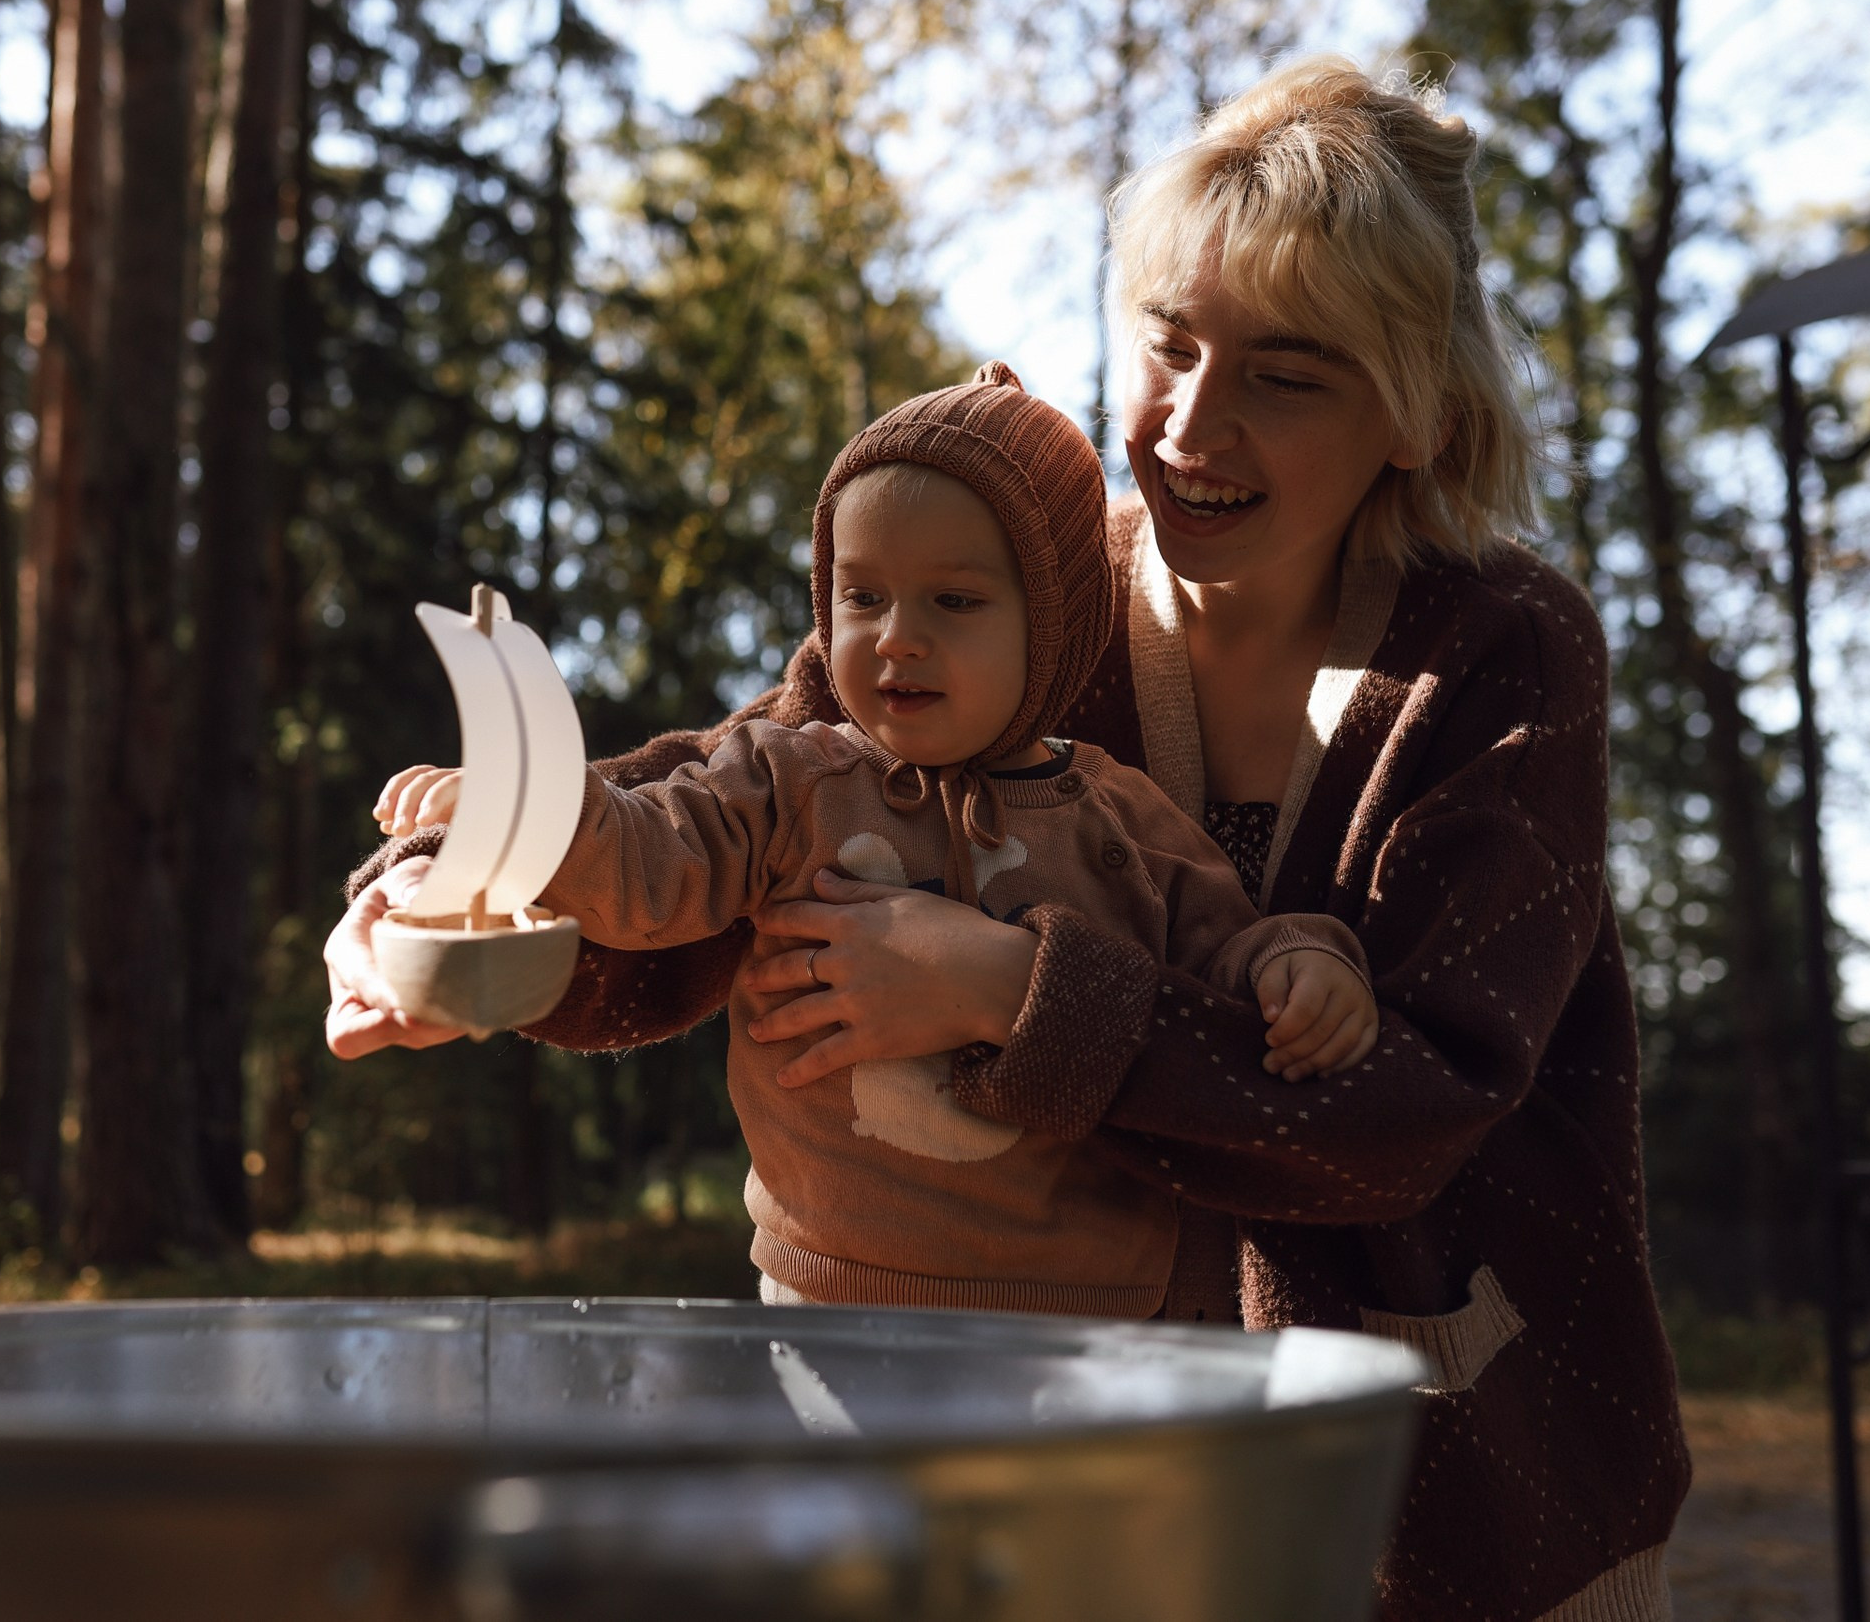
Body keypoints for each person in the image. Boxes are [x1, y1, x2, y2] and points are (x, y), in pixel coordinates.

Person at [329, 54, 1691, 1619]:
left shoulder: (1503, 653)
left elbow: (1401, 1113)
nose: (1193, 422)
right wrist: (454, 891)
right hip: (1075, 1494)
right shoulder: (1009, 586)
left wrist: (1002, 989)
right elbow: (709, 818)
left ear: (1418, 414)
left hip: (1453, 1495)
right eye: (1168, 342)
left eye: (1286, 375)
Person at [370, 366, 1376, 1314]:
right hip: (825, 1298)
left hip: (1080, 1318)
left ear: (1057, 622)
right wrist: (527, 806)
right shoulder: (784, 781)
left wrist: (1299, 960)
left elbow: (1224, 951)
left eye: (955, 600)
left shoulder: (1117, 816)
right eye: (863, 596)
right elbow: (647, 865)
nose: (897, 635)